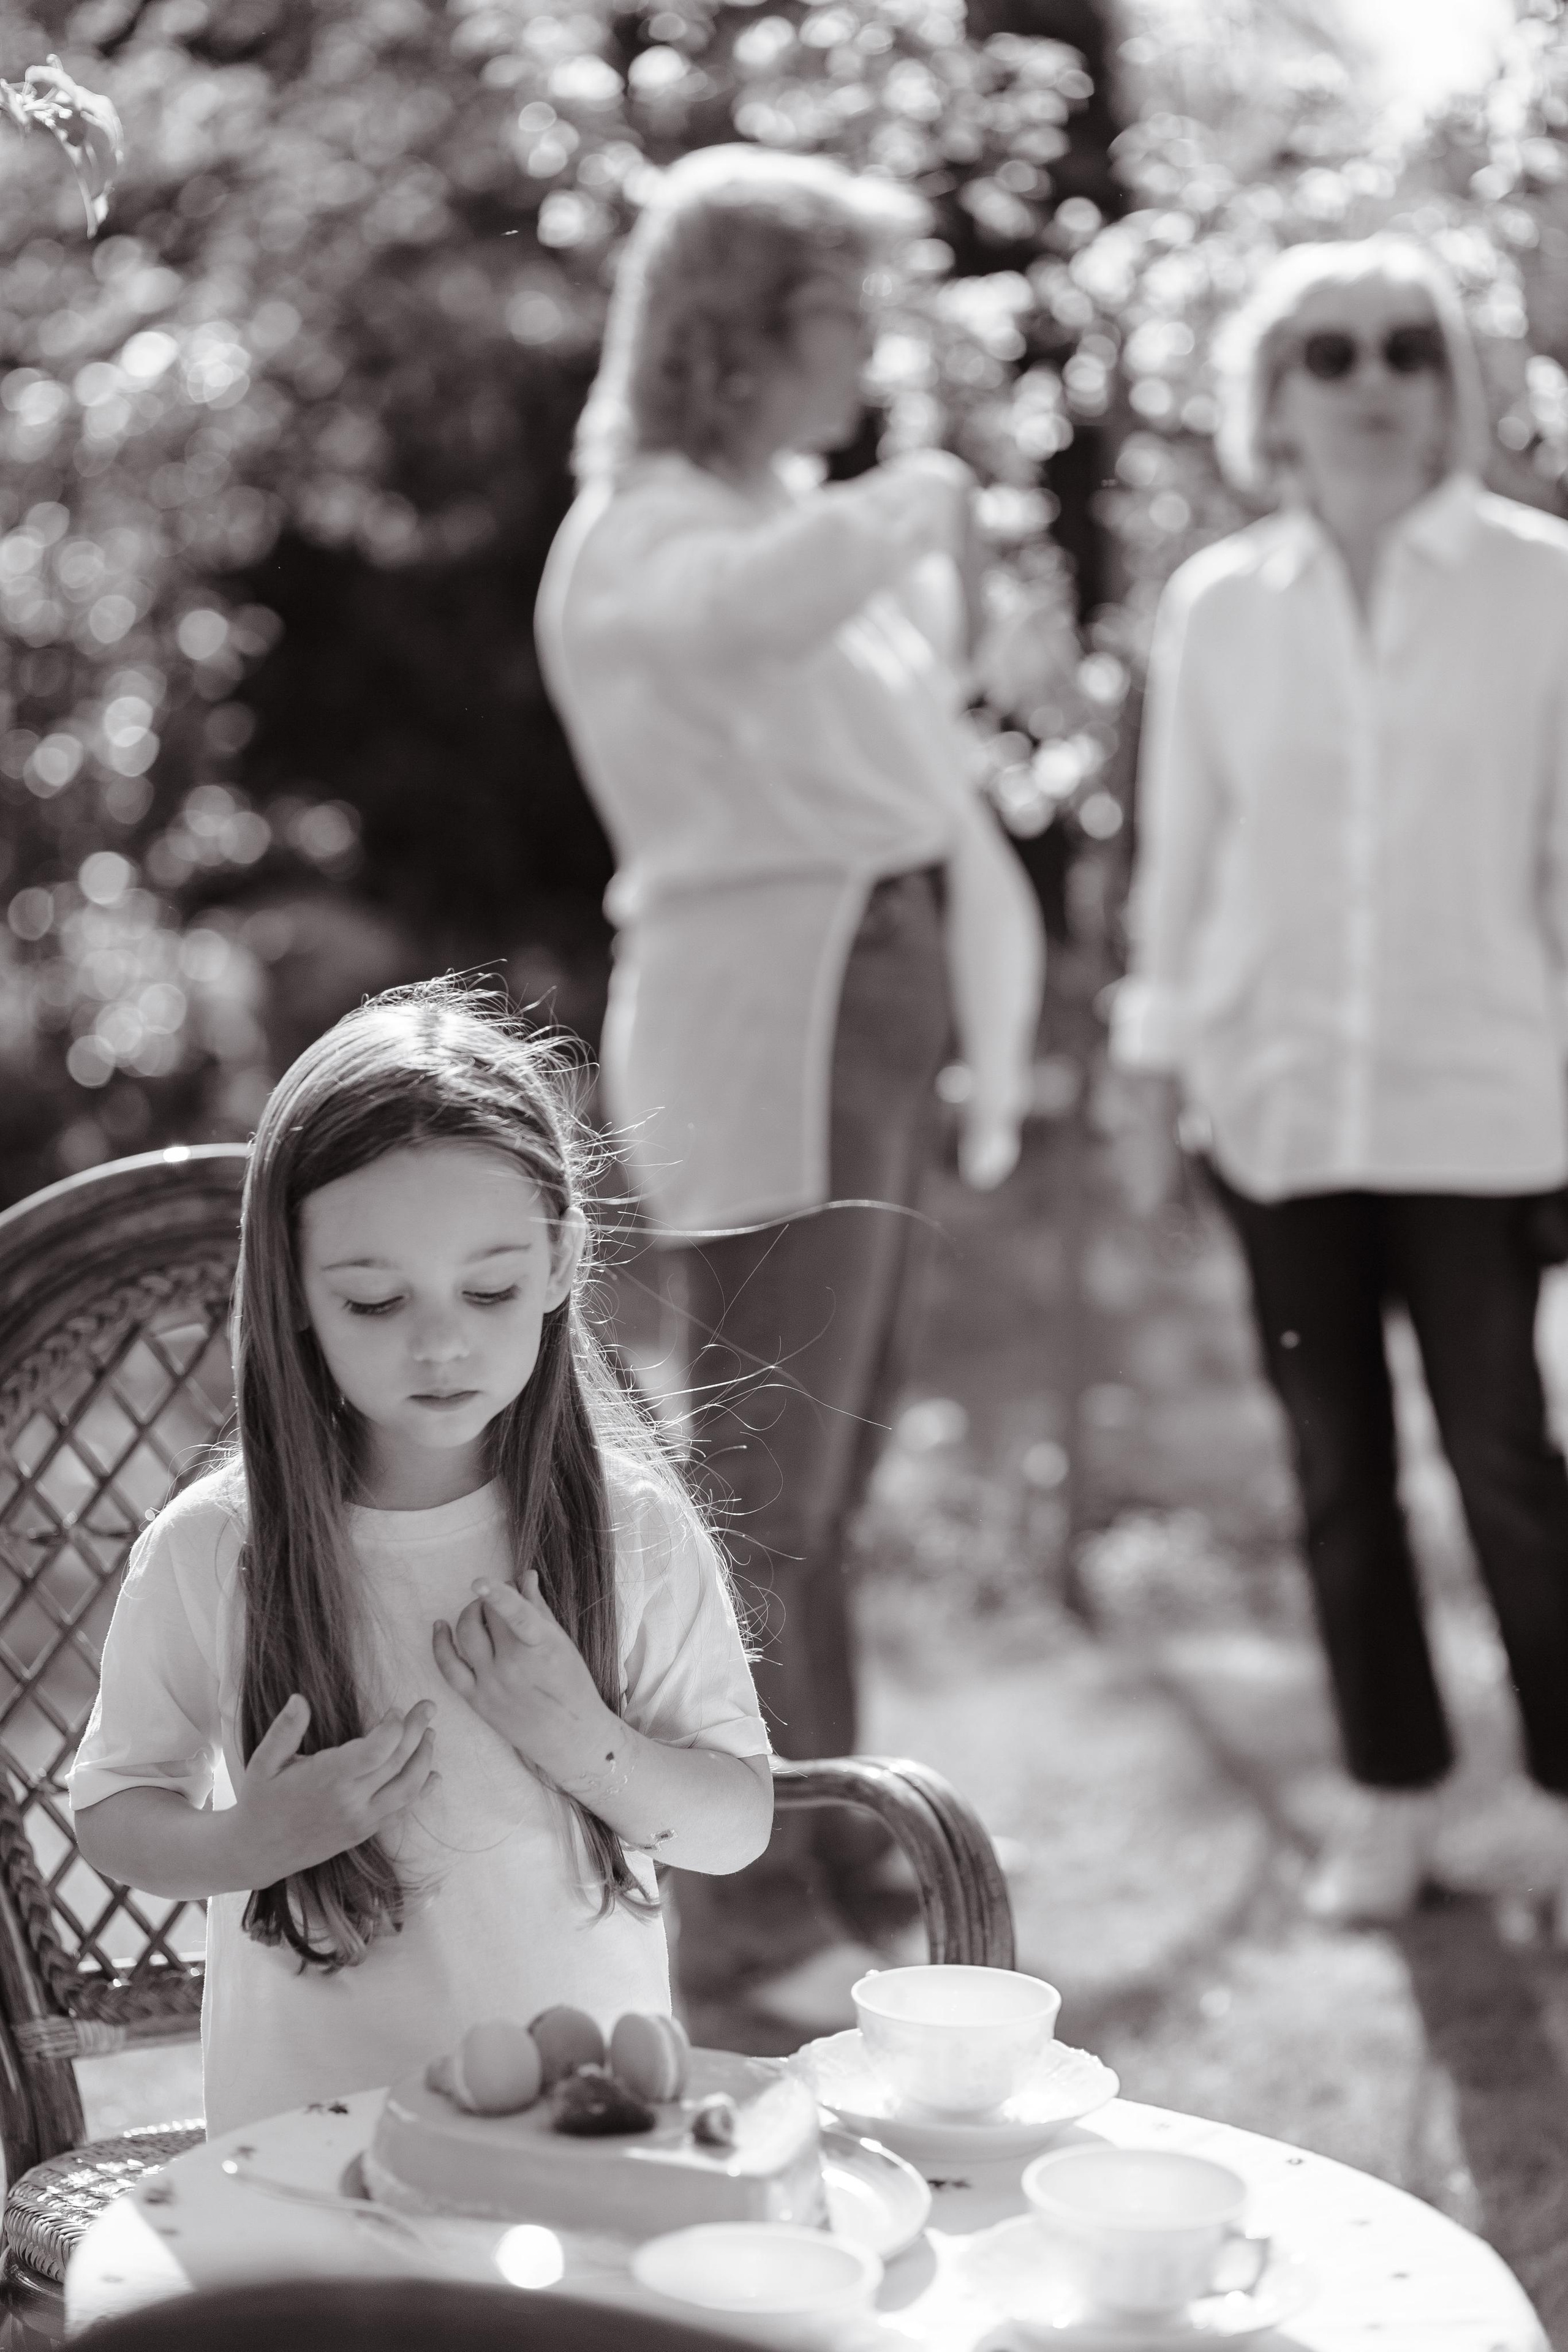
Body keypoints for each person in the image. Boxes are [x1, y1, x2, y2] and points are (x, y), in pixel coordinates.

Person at [537, 146, 1043, 2024]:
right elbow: (744, 616)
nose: (874, 352)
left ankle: (826, 1849)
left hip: (864, 991)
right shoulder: (648, 530)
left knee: (829, 1467)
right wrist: (923, 495)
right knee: (765, 1479)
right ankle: (742, 1915)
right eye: (847, 313)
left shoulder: (778, 508)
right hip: (777, 1009)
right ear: (740, 329)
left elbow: (920, 697)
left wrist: (935, 547)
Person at [69, 982, 772, 2133]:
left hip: (578, 2145)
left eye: (488, 1290)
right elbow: (113, 1807)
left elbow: (736, 1825)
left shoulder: (631, 1529)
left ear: (562, 1262)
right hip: (303, 2157)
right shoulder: (214, 1548)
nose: (441, 1342)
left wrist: (583, 1741)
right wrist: (249, 1840)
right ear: (295, 1289)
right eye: (375, 1301)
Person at [1112, 233, 1568, 1931]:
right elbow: (1181, 859)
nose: (1372, 381)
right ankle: (1391, 1795)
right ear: (1274, 396)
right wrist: (1150, 1074)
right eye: (1331, 352)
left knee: (1505, 1457)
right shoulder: (1218, 609)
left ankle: (1562, 1794)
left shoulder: (1543, 586)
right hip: (1279, 1107)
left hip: (1484, 1105)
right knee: (1333, 1472)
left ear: (1452, 387)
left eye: (1405, 348)